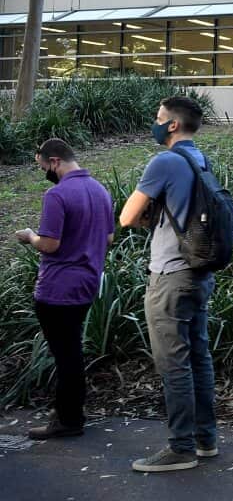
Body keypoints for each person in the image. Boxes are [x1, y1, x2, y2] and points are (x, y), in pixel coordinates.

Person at [119, 96, 218, 473]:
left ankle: (180, 448)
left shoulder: (163, 161)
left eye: (159, 118)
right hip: (199, 271)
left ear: (173, 125)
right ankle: (205, 439)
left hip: (170, 275)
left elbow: (127, 217)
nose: (155, 123)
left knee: (173, 363)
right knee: (198, 357)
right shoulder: (201, 159)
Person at [16, 138, 114, 441]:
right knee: (71, 350)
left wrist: (30, 236)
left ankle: (69, 419)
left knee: (65, 355)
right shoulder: (100, 190)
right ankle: (70, 412)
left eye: (43, 165)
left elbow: (50, 244)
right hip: (87, 283)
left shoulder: (57, 195)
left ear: (55, 161)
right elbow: (108, 239)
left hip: (57, 288)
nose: (44, 170)